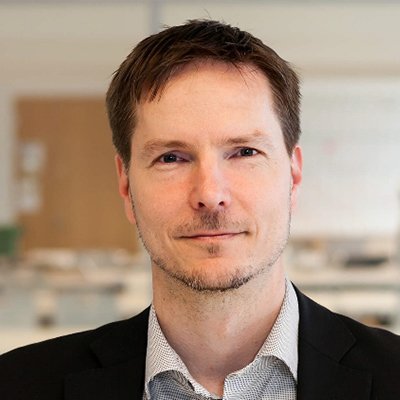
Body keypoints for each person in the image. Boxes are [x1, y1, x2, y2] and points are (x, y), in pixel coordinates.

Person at [1, 19, 399, 400]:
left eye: (245, 152)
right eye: (171, 158)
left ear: (293, 175)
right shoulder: (15, 385)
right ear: (125, 184)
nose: (210, 194)